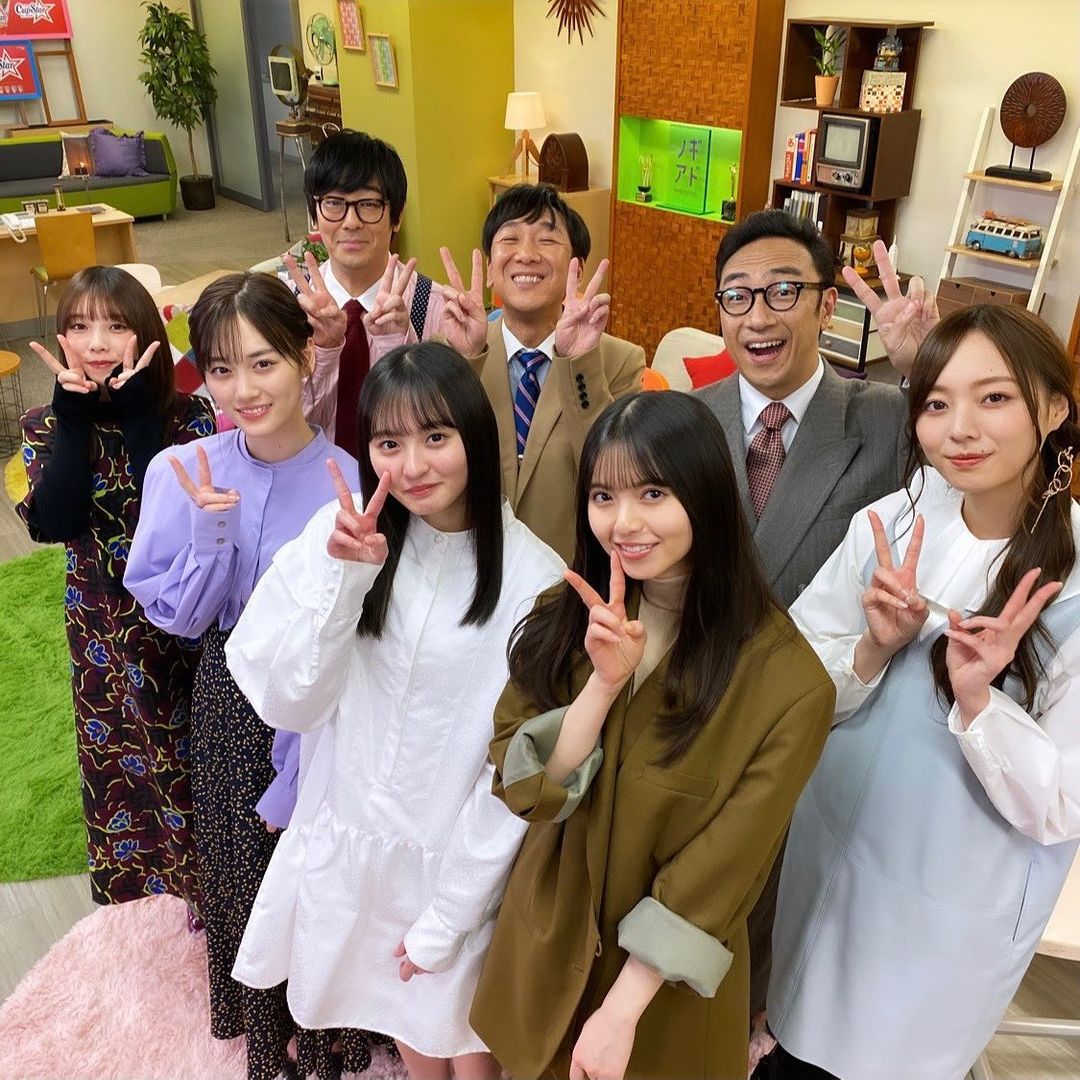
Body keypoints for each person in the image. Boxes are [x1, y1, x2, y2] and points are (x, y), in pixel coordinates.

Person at [468, 391, 836, 1079]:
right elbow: (525, 788)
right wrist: (602, 687)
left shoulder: (789, 684)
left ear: (706, 492)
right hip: (547, 945)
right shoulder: (568, 616)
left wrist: (620, 1011)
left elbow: (722, 869)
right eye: (603, 496)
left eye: (653, 493)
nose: (624, 522)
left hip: (660, 997)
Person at [224, 341, 565, 1079]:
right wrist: (347, 583)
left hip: (465, 862)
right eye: (388, 443)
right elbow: (292, 702)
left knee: (467, 1045)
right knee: (401, 1022)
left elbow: (516, 774)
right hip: (355, 844)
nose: (412, 466)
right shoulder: (342, 533)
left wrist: (450, 913)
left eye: (435, 436)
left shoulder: (536, 579)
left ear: (475, 434)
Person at [766, 304, 1080, 1080]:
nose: (960, 429)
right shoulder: (895, 518)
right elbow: (792, 677)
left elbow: (1063, 802)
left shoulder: (1073, 582)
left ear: (1054, 409)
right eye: (937, 403)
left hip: (945, 908)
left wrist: (979, 703)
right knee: (792, 1035)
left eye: (994, 397)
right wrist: (873, 647)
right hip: (827, 851)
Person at [124, 272, 376, 1080]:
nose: (244, 389)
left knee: (321, 862)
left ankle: (329, 1027)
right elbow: (181, 620)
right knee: (242, 863)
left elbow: (358, 625)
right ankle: (264, 1037)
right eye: (223, 369)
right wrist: (212, 533)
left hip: (326, 701)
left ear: (304, 358)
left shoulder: (351, 477)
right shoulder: (185, 469)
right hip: (232, 695)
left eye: (263, 363)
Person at [695, 211, 939, 1035]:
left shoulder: (889, 418)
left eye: (782, 292)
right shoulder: (690, 417)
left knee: (782, 925)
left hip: (827, 720)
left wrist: (926, 369)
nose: (756, 316)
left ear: (827, 305)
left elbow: (974, 479)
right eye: (736, 296)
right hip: (700, 713)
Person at [18, 266, 214, 908]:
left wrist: (137, 421)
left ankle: (209, 893)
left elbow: (173, 520)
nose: (97, 342)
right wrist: (75, 421)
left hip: (183, 620)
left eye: (115, 324)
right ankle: (140, 902)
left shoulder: (189, 416)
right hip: (99, 623)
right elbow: (56, 521)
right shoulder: (44, 426)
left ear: (146, 332)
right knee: (118, 752)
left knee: (188, 752)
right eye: (79, 326)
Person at [436, 183, 645, 562]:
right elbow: (433, 463)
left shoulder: (619, 362)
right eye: (510, 239)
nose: (527, 254)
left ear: (576, 269)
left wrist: (579, 363)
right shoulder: (451, 353)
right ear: (490, 269)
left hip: (568, 578)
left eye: (547, 240)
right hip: (468, 569)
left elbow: (618, 476)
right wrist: (466, 361)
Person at [289, 128, 445, 452]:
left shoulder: (435, 308)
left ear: (397, 216)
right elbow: (278, 427)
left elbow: (445, 427)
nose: (351, 222)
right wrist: (322, 352)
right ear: (314, 214)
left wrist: (399, 348)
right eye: (334, 203)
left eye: (369, 204)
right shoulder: (286, 307)